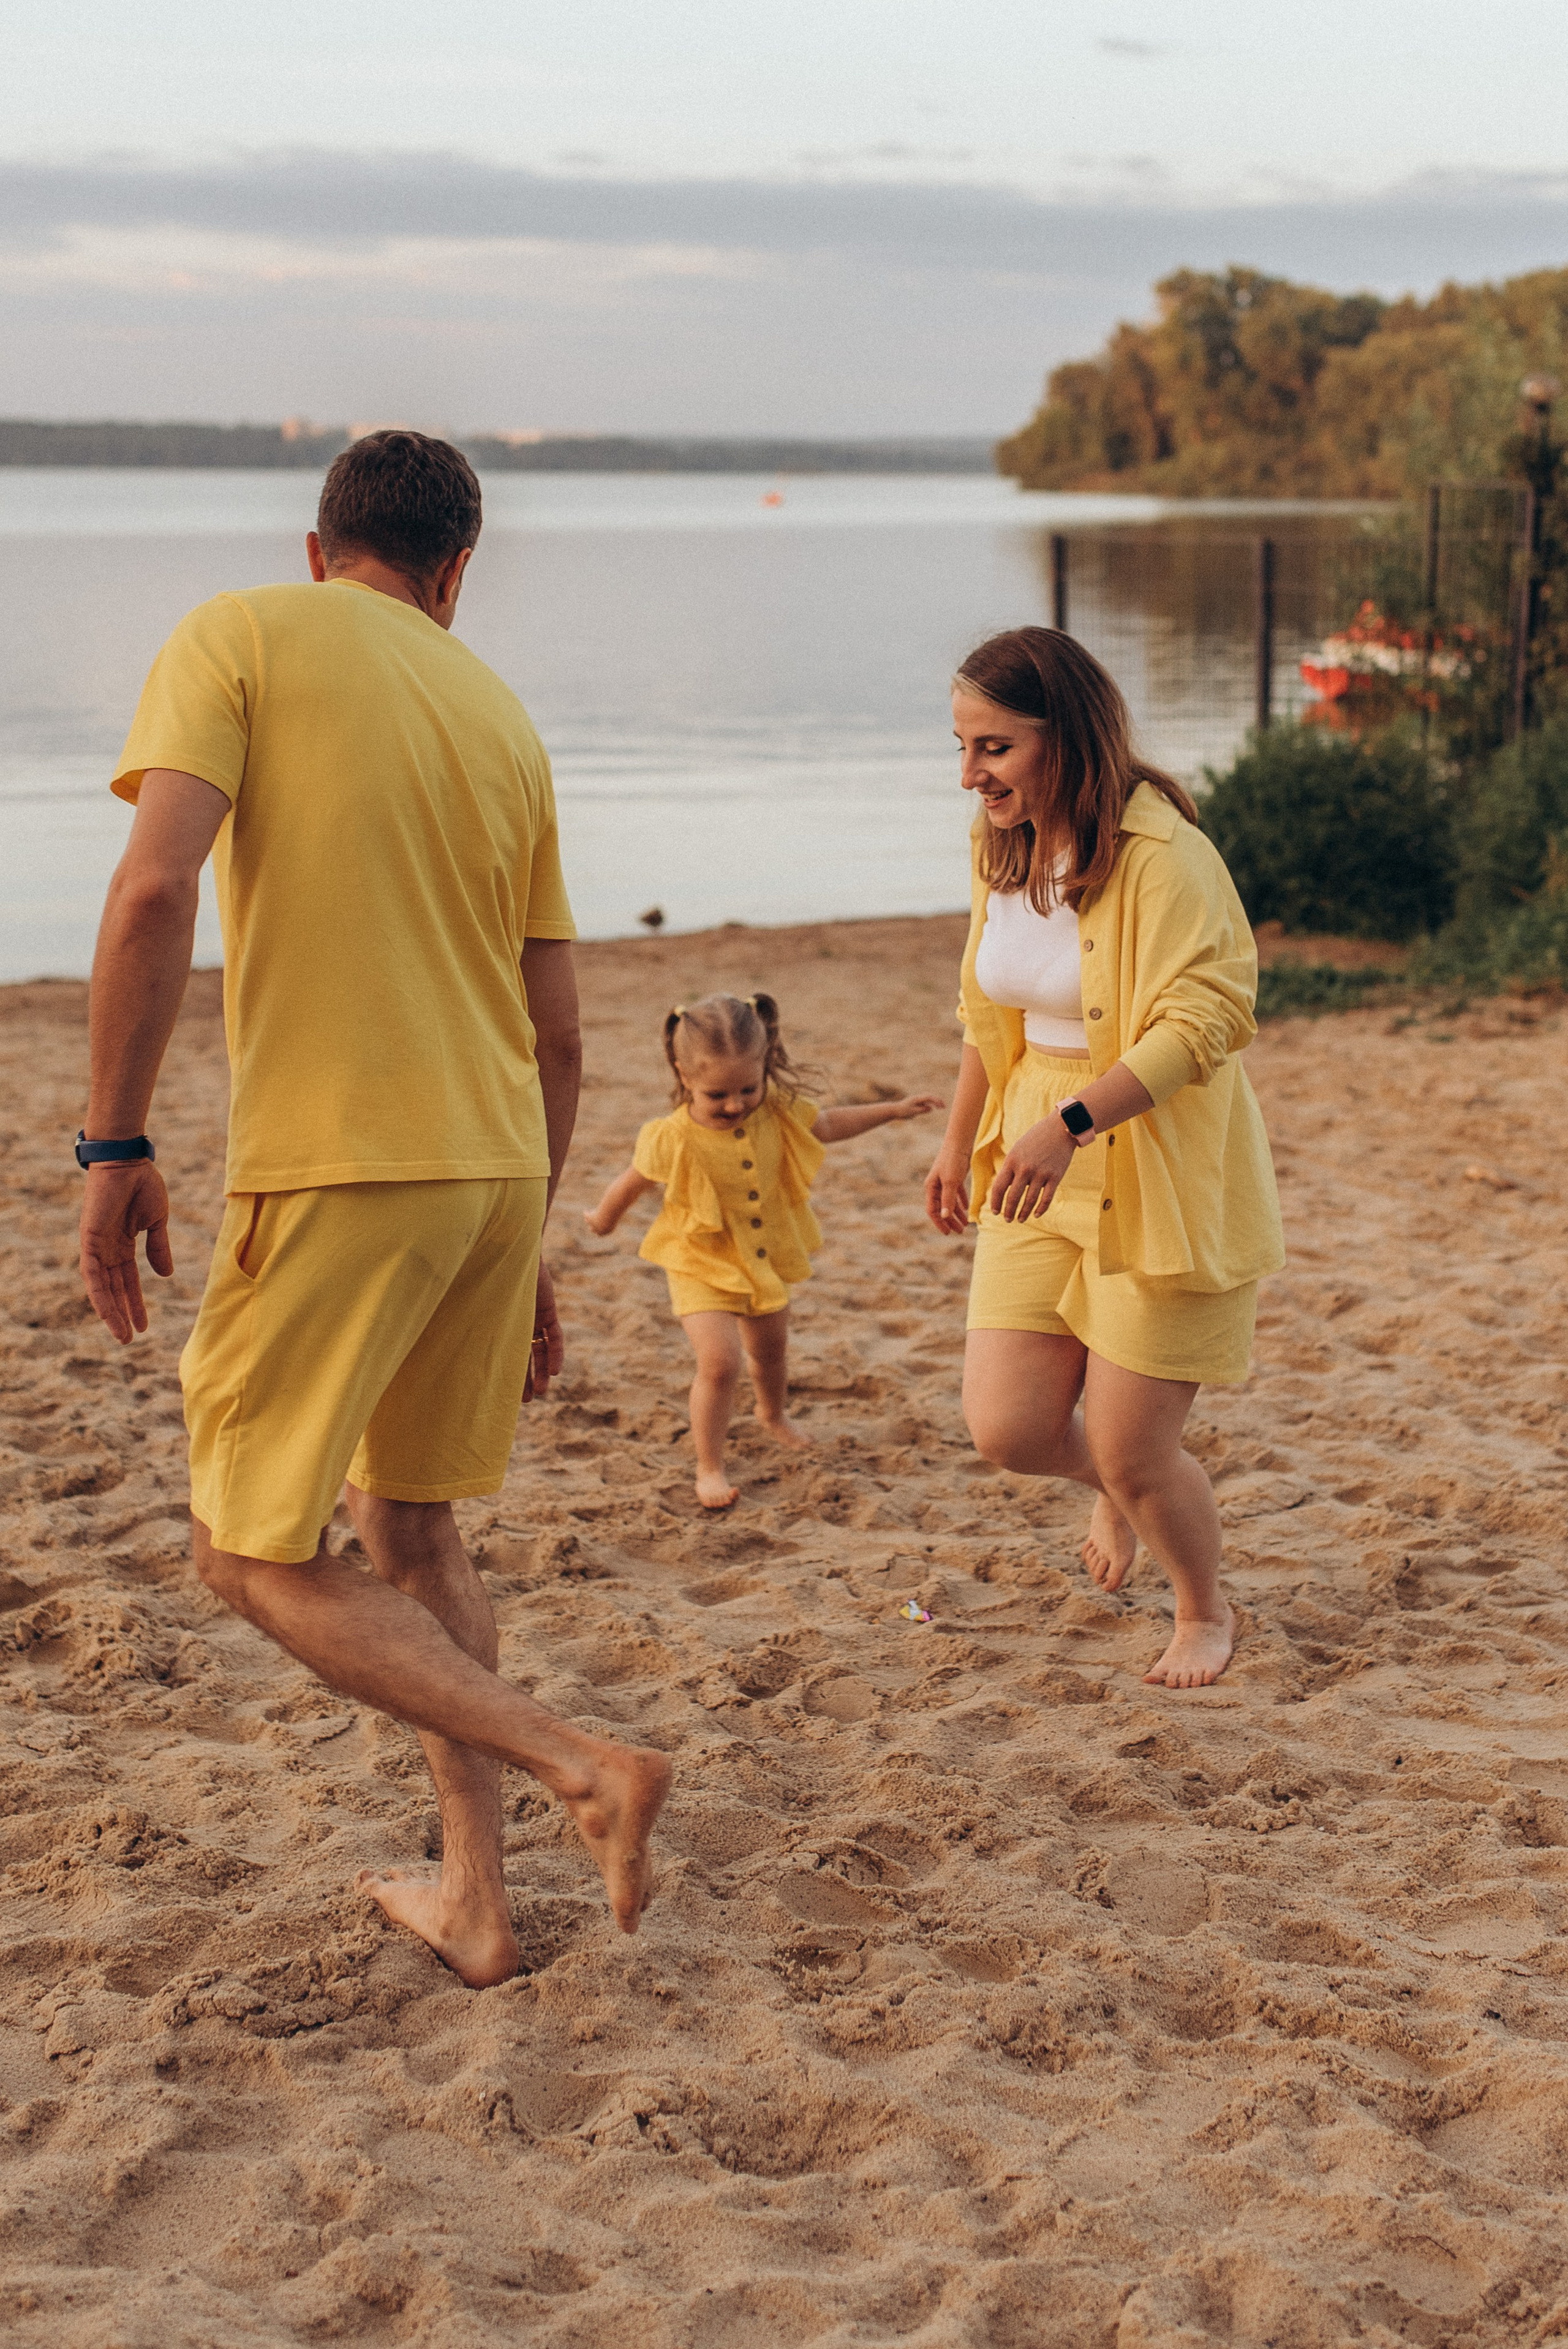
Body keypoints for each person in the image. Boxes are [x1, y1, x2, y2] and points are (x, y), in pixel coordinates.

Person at [77, 431, 670, 1987]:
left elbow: (153, 889)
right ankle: (478, 1900)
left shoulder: (241, 632)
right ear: (455, 573)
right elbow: (563, 1031)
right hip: (488, 1161)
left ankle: (578, 1760)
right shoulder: (499, 713)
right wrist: (527, 1229)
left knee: (243, 1547)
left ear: (315, 540)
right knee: (409, 1524)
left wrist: (111, 1139)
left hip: (347, 1156)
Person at [924, 628, 1283, 1690]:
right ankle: (1123, 1489)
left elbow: (1208, 1018)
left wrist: (1072, 1122)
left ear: (1064, 735)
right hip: (1030, 1136)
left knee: (1135, 1449)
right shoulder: (1003, 844)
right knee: (1010, 1426)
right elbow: (982, 1013)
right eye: (960, 747)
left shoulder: (1167, 856)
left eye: (994, 748)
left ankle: (1204, 1609)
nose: (971, 774)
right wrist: (958, 1142)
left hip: (1146, 1150)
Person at [585, 992, 941, 1509]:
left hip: (764, 1257)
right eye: (717, 1094)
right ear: (684, 1076)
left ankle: (772, 1414)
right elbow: (633, 1181)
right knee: (721, 1362)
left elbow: (829, 1124)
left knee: (771, 1352)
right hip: (700, 1262)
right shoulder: (671, 1136)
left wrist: (892, 1111)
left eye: (748, 1088)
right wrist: (603, 1218)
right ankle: (709, 1466)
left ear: (765, 1066)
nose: (735, 1104)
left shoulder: (777, 1111)